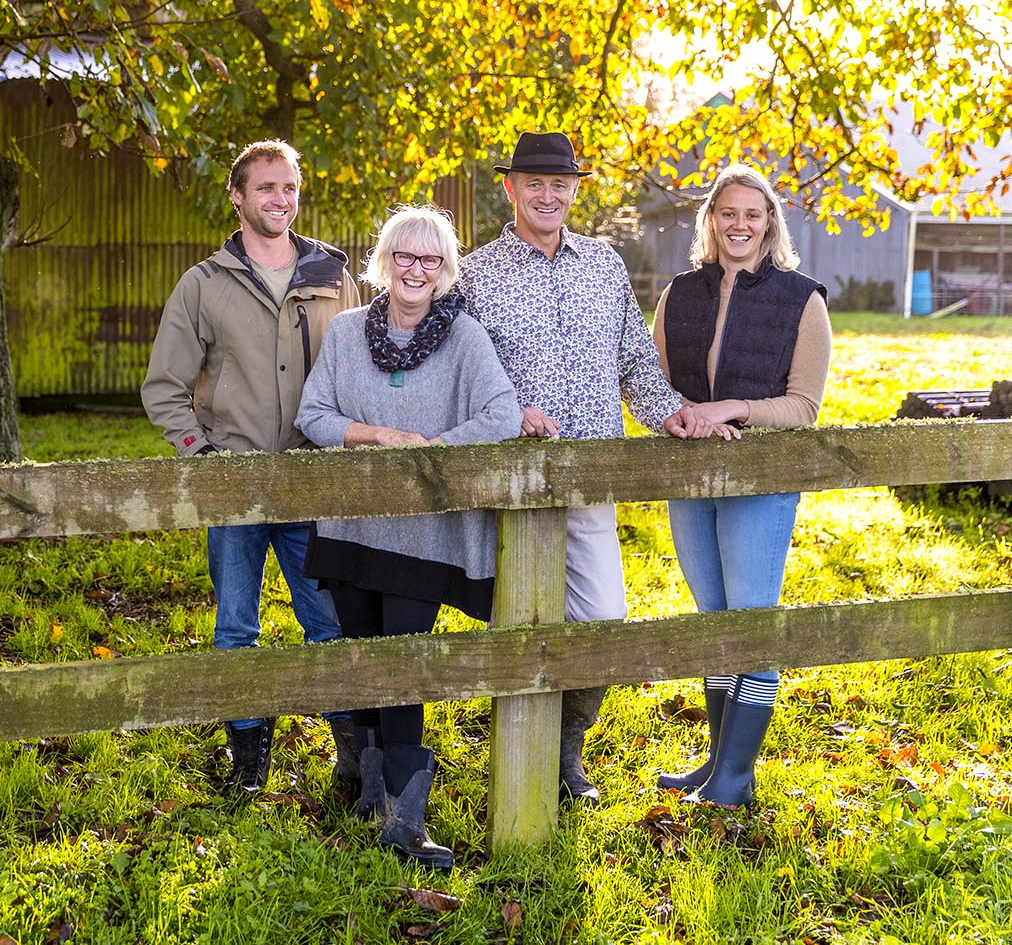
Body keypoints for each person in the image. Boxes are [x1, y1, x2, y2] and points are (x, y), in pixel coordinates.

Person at [458, 129, 697, 805]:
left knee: (603, 620)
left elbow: (634, 362)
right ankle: (521, 762)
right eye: (534, 182)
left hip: (596, 474)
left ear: (575, 190)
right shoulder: (476, 273)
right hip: (515, 482)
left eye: (560, 184)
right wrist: (511, 413)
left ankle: (566, 748)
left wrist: (670, 413)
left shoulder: (603, 264)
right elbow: (466, 377)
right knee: (524, 625)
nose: (548, 194)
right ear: (509, 187)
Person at [296, 204, 521, 868]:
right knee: (363, 656)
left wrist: (431, 456)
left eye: (430, 259)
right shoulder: (344, 333)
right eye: (405, 256)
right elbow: (313, 414)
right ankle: (371, 796)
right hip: (353, 523)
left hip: (425, 536)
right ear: (385, 262)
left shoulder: (466, 339)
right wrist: (381, 437)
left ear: (446, 269)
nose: (416, 269)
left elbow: (501, 414)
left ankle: (406, 817)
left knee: (404, 663)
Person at [141, 139, 361, 796]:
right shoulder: (204, 284)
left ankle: (351, 760)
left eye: (290, 187)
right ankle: (249, 765)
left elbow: (356, 370)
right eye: (266, 187)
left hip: (310, 479)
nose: (280, 199)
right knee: (236, 623)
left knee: (327, 620)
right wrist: (197, 457)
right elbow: (164, 387)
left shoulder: (332, 277)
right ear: (237, 196)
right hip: (231, 483)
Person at [652, 164, 831, 807]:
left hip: (761, 479)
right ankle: (717, 765)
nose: (740, 225)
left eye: (753, 215)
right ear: (710, 221)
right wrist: (685, 419)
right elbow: (662, 386)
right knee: (713, 618)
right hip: (691, 474)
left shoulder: (801, 299)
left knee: (751, 619)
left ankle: (733, 777)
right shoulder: (679, 293)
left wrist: (731, 408)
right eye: (728, 213)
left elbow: (804, 407)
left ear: (770, 224)